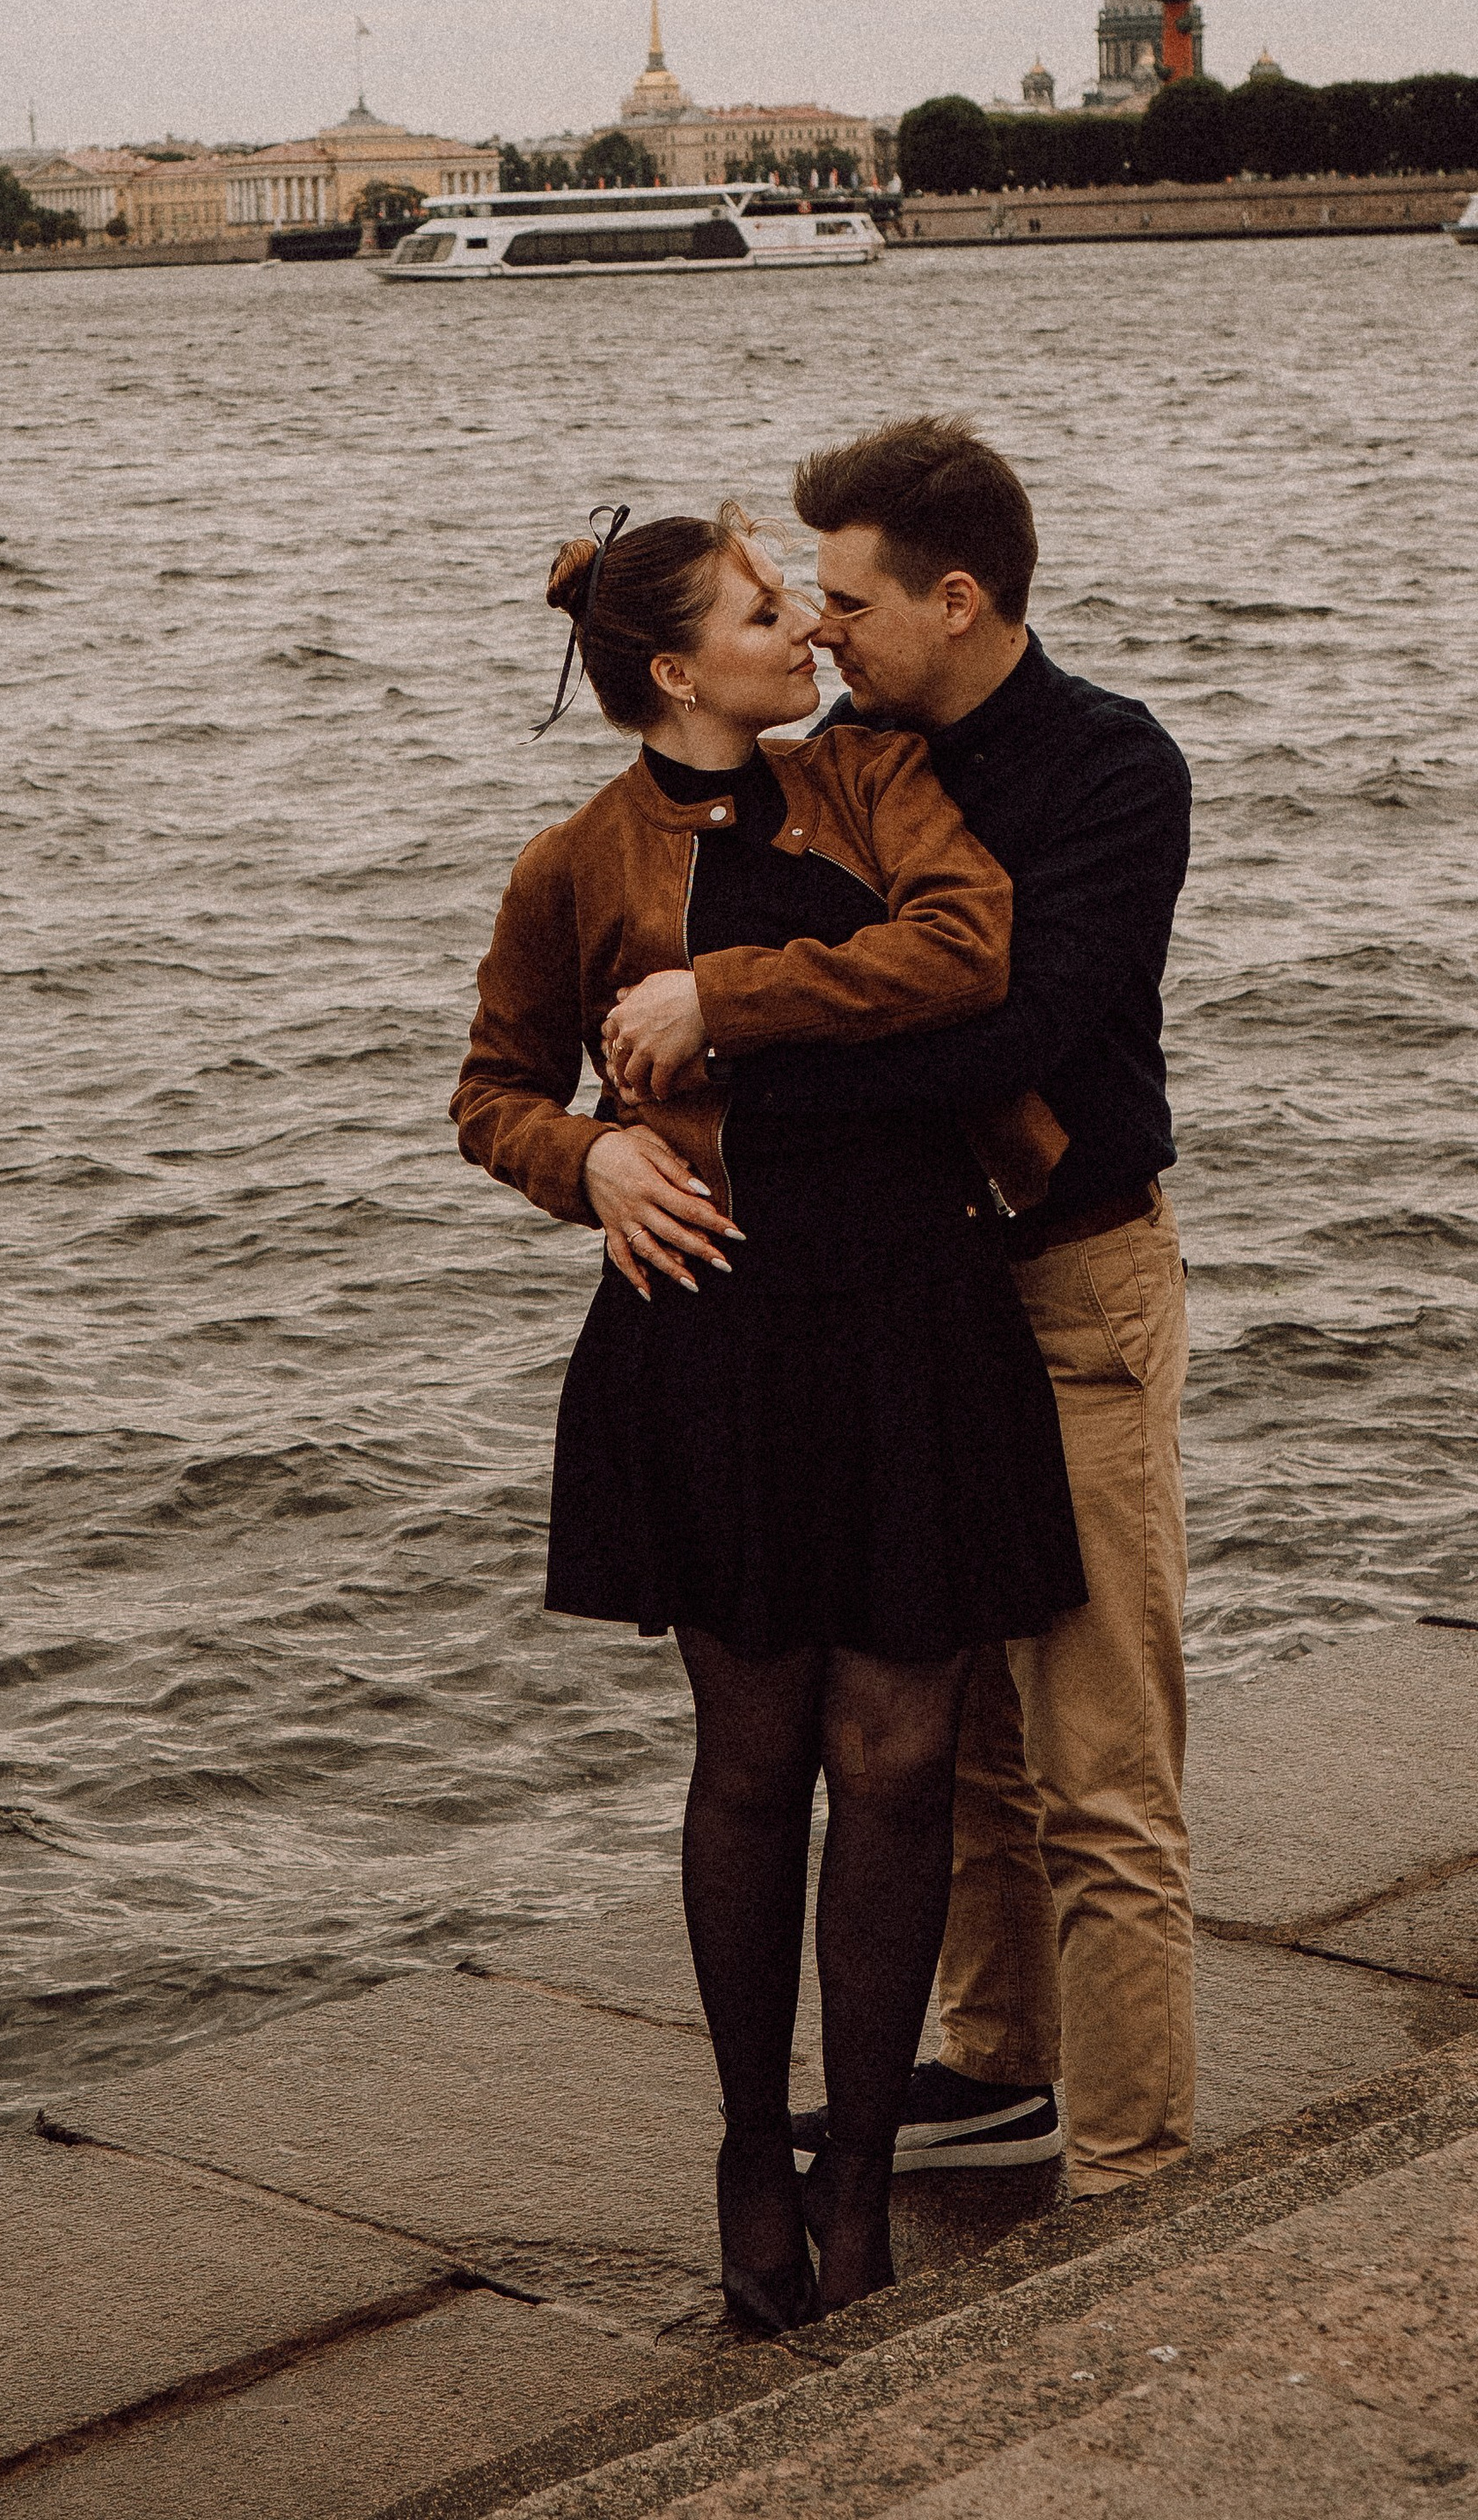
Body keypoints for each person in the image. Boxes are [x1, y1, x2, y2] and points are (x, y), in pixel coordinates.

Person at [452, 502, 1087, 2327]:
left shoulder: (873, 782)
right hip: (713, 1333)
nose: (802, 627)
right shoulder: (573, 862)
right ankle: (749, 2148)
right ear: (675, 669)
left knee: (897, 1762)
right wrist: (586, 1163)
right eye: (757, 611)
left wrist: (719, 999)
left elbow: (965, 952)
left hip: (911, 1315)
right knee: (750, 1763)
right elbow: (490, 1090)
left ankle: (862, 2174)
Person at [732, 417, 1194, 2201]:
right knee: (966, 1734)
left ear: (957, 597)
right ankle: (1001, 2065)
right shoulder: (852, 759)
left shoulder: (1109, 766)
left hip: (1076, 1282)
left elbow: (1020, 1027)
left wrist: (754, 1045)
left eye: (847, 600)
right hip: (923, 1296)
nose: (820, 627)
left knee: (1101, 1764)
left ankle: (1137, 2177)